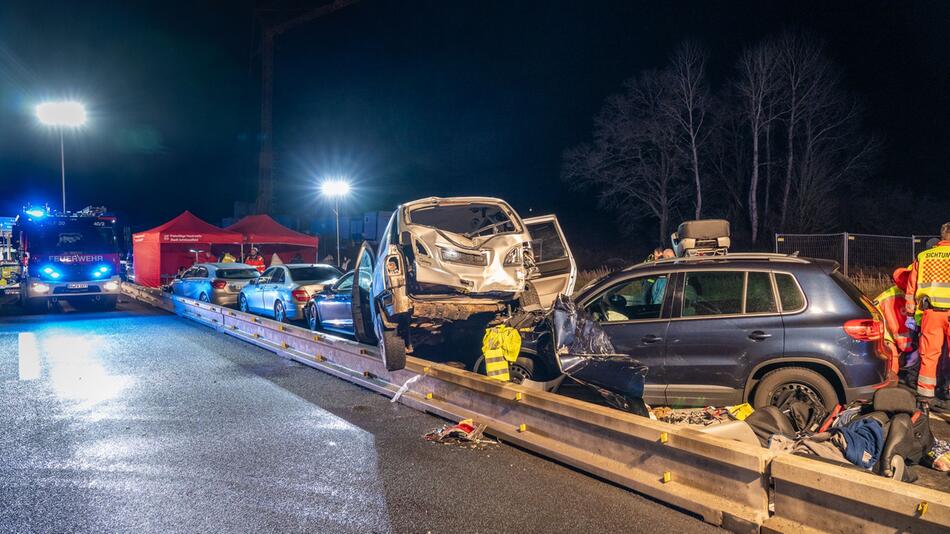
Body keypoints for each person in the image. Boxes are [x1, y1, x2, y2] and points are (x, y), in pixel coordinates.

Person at [905, 222, 950, 412]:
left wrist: (911, 314)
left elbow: (911, 288)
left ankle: (924, 398)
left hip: (930, 313)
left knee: (929, 356)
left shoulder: (923, 257)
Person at [873, 267, 914, 385]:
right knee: (892, 359)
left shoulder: (899, 293)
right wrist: (909, 348)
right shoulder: (895, 298)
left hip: (882, 332)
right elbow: (898, 330)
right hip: (882, 335)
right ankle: (891, 388)